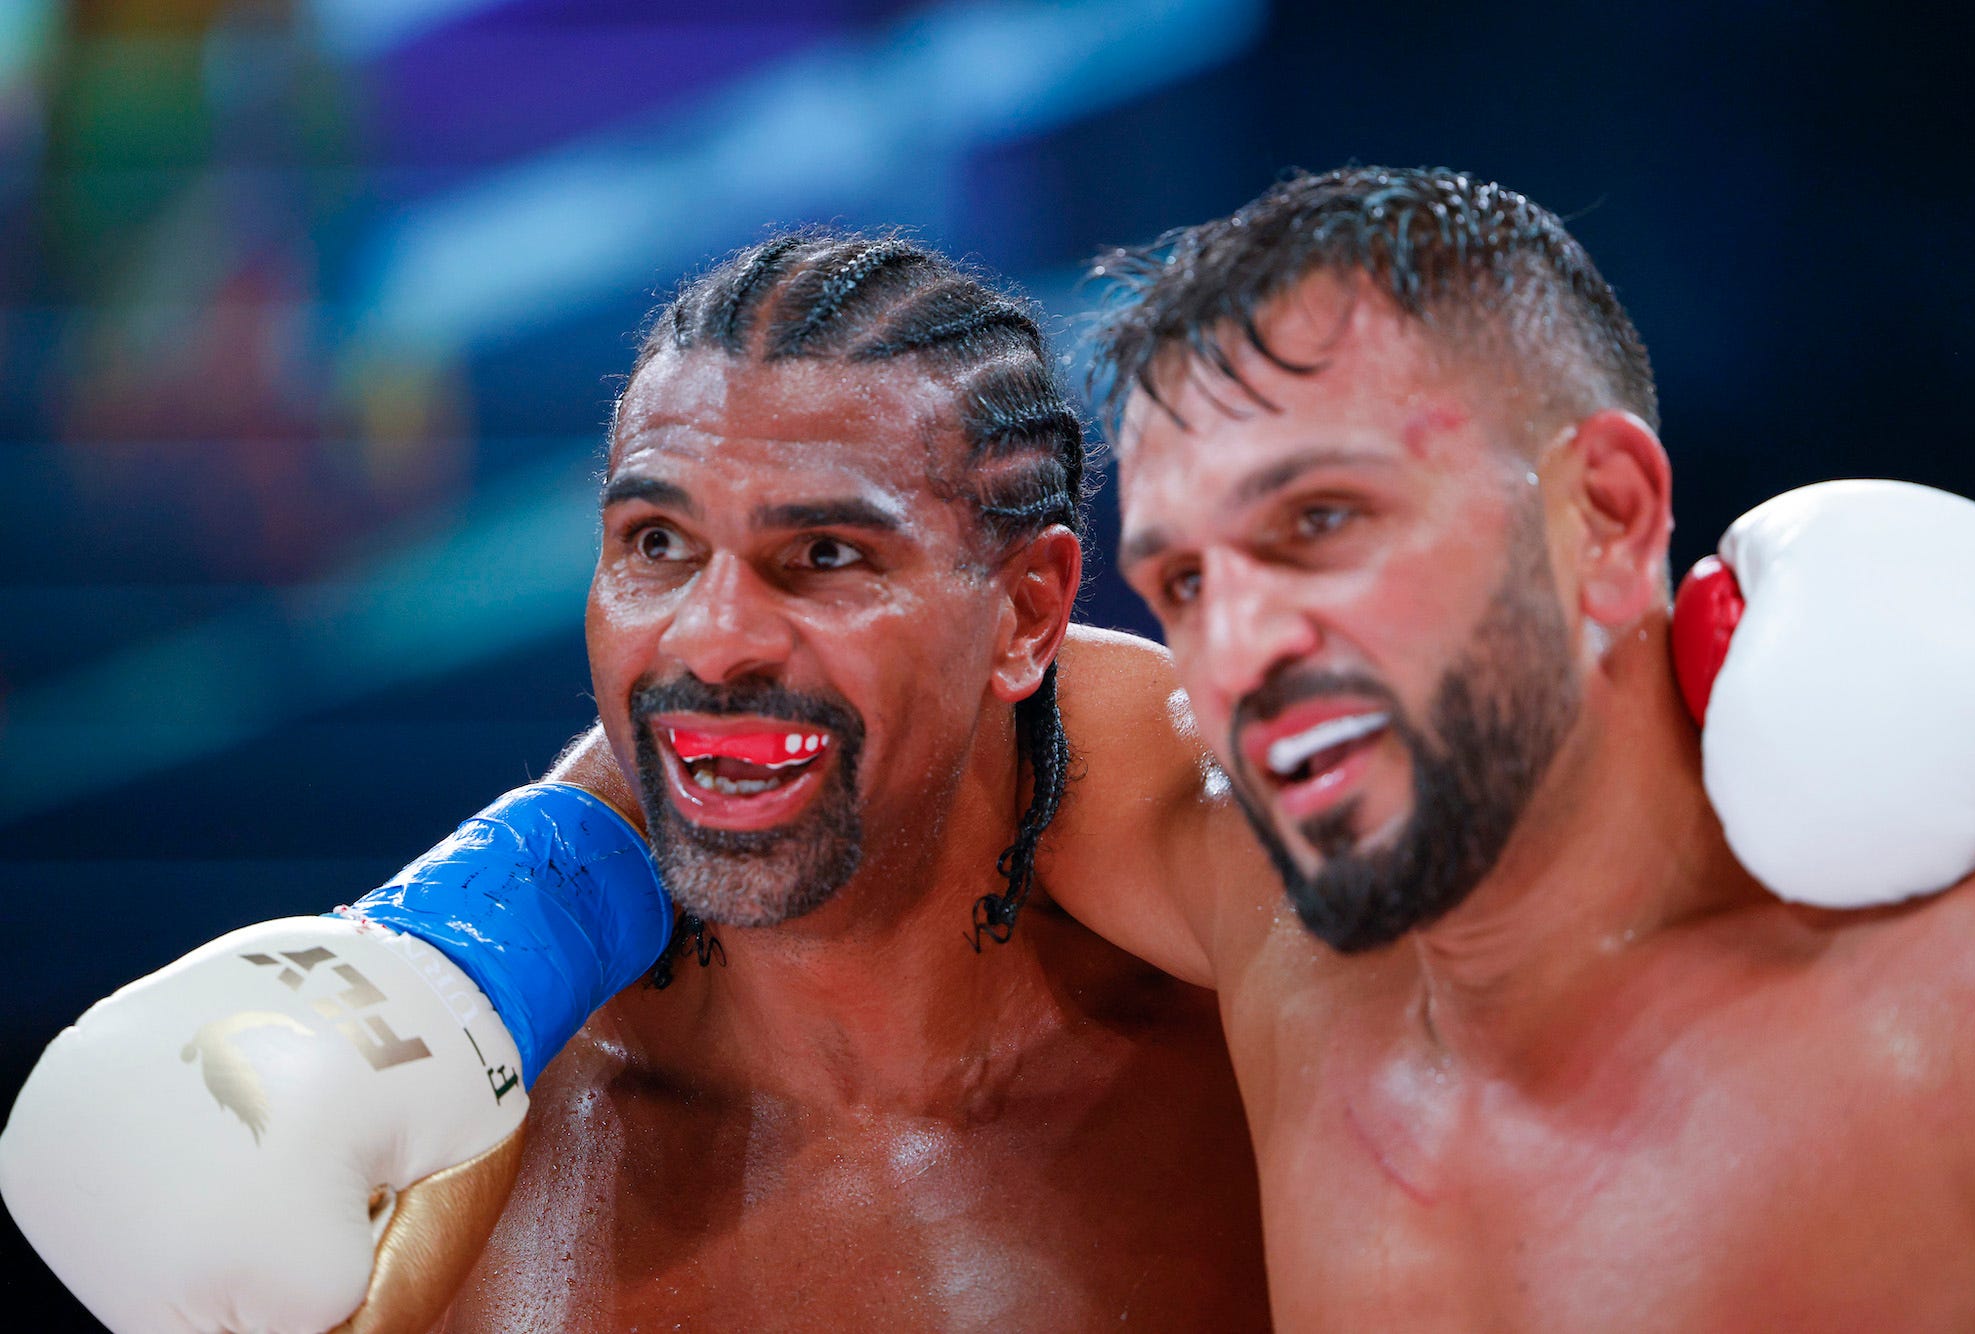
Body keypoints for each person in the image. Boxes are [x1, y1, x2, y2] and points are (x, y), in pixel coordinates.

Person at [1, 233, 1274, 1334]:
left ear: (1027, 609)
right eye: (655, 542)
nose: (709, 638)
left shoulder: (1260, 1043)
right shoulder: (470, 1163)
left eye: (824, 552)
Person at [1092, 165, 1975, 1329]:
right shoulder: (1283, 963)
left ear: (1607, 516)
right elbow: (929, 671)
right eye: (1181, 581)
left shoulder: (1951, 1013)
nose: (1233, 648)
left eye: (1317, 519)